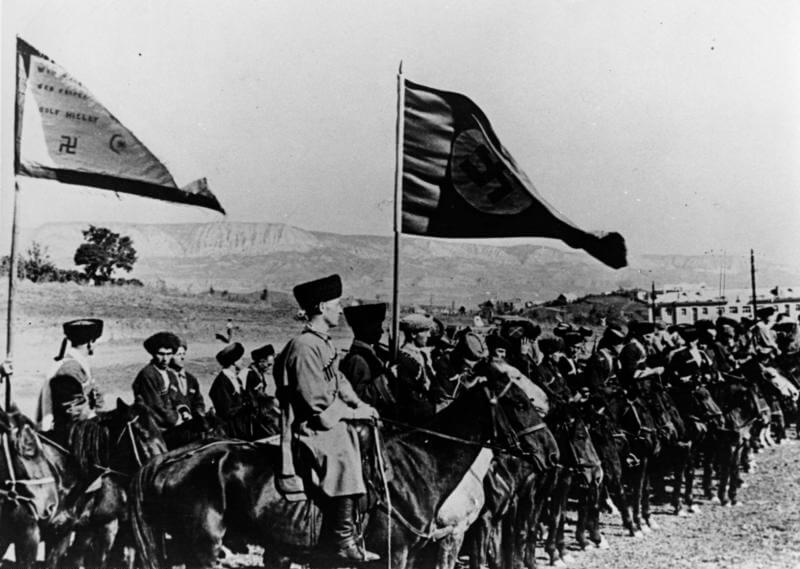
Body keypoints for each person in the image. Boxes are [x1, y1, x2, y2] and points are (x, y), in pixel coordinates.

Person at [275, 274, 379, 562]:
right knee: (344, 449)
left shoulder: (323, 342)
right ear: (322, 307)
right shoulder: (305, 346)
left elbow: (339, 379)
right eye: (337, 304)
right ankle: (342, 537)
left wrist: (361, 404)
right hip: (311, 426)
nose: (341, 309)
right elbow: (317, 403)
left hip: (324, 417)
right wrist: (352, 413)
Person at [37, 319, 104, 442]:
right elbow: (74, 413)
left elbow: (97, 398)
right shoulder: (69, 369)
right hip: (66, 436)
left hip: (78, 429)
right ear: (90, 343)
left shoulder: (77, 365)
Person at [340, 303, 396, 414]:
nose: (381, 331)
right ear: (366, 329)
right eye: (377, 327)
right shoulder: (357, 359)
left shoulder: (373, 352)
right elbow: (360, 398)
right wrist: (387, 377)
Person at [132, 331, 182, 430]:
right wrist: (177, 419)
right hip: (153, 426)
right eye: (161, 354)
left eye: (169, 354)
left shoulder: (171, 375)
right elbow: (155, 407)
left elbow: (177, 399)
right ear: (153, 353)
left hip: (171, 420)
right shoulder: (147, 374)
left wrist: (183, 411)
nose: (165, 359)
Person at [395, 313, 437, 424]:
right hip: (415, 419)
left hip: (427, 409)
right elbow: (410, 398)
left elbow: (432, 383)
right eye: (425, 331)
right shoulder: (404, 360)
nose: (429, 335)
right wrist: (436, 409)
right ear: (413, 334)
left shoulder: (421, 355)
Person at [168, 337, 206, 421]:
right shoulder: (165, 378)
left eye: (183, 354)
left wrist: (199, 413)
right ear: (170, 357)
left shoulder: (191, 380)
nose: (182, 358)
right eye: (178, 355)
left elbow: (198, 401)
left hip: (192, 424)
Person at [208, 342, 246, 419]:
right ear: (234, 361)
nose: (243, 361)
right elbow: (225, 411)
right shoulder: (221, 383)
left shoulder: (236, 379)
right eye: (241, 358)